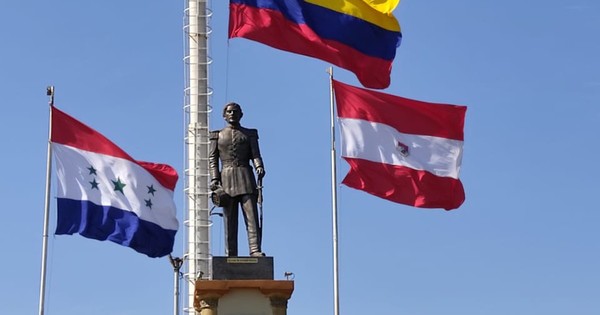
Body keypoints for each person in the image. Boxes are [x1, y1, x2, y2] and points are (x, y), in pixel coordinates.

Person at [209, 102, 266, 257]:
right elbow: (213, 160)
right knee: (229, 220)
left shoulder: (249, 134)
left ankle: (255, 250)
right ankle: (231, 254)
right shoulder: (217, 136)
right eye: (229, 112)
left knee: (251, 217)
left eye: (235, 111)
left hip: (246, 176)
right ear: (224, 115)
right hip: (226, 179)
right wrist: (215, 178)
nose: (232, 114)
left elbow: (255, 154)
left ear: (241, 114)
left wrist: (259, 166)